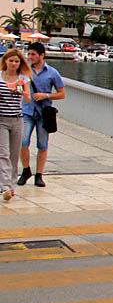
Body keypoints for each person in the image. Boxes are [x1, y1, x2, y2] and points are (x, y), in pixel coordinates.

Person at [18, 43, 65, 188]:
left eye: (33, 54)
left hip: (44, 114)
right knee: (23, 142)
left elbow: (61, 94)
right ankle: (26, 170)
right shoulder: (25, 72)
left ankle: (39, 175)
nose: (30, 57)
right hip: (27, 111)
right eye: (29, 54)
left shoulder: (52, 73)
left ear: (41, 55)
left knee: (42, 145)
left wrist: (46, 95)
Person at [0, 49, 32, 201]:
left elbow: (27, 99)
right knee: (3, 154)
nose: (13, 64)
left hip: (17, 119)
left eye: (16, 61)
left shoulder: (23, 78)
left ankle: (11, 185)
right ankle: (5, 186)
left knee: (14, 155)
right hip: (1, 119)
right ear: (5, 61)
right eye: (11, 60)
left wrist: (25, 94)